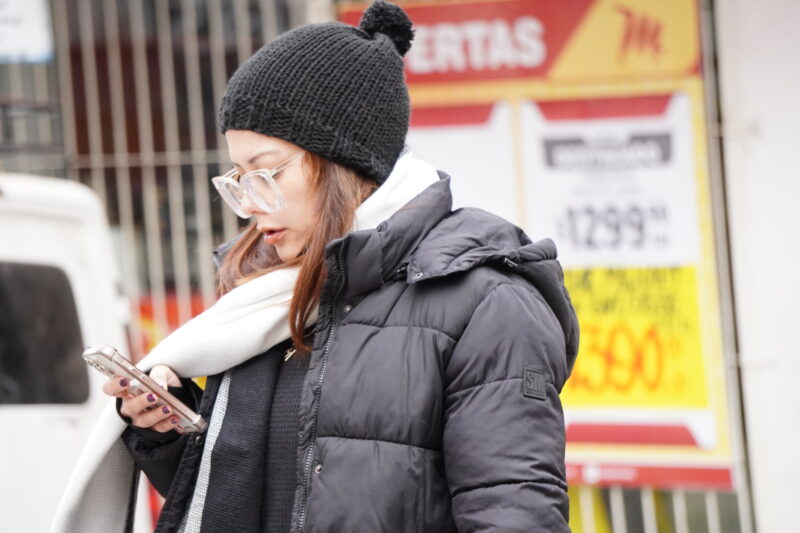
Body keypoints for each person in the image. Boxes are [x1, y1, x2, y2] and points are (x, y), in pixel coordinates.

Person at [51, 2, 579, 532]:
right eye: (237, 178)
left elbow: (513, 513)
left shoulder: (487, 303)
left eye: (266, 173)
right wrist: (168, 431)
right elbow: (259, 498)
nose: (248, 204)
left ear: (342, 160)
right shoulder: (264, 299)